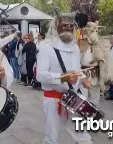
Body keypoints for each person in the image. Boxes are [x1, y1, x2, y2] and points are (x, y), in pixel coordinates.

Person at [36, 14, 92, 144]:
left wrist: (83, 79)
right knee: (52, 138)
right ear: (56, 27)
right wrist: (62, 78)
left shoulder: (75, 47)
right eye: (64, 26)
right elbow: (40, 75)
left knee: (83, 136)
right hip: (53, 100)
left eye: (71, 26)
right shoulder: (46, 47)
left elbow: (77, 69)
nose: (68, 29)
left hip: (73, 99)